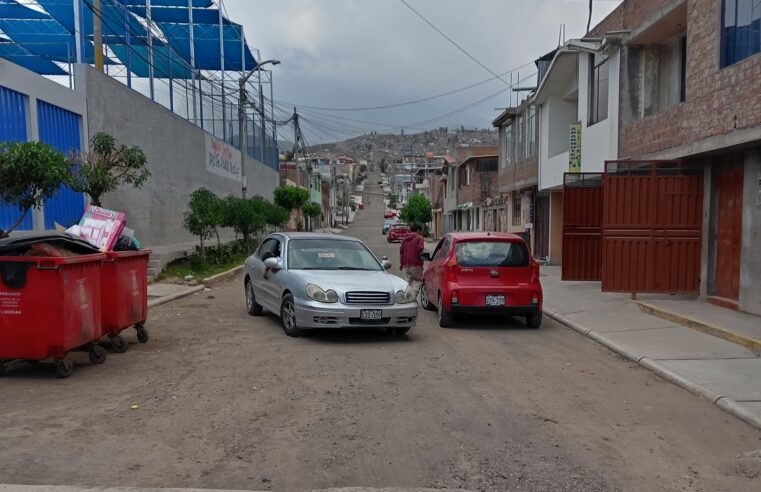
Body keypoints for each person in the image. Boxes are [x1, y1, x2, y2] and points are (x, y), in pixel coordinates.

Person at [399, 224, 425, 298]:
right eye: (420, 231)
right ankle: (413, 295)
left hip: (407, 265)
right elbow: (420, 249)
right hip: (416, 265)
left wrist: (401, 264)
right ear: (417, 230)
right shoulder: (419, 238)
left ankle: (406, 295)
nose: (421, 232)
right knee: (418, 280)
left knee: (408, 282)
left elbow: (401, 252)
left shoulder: (405, 239)